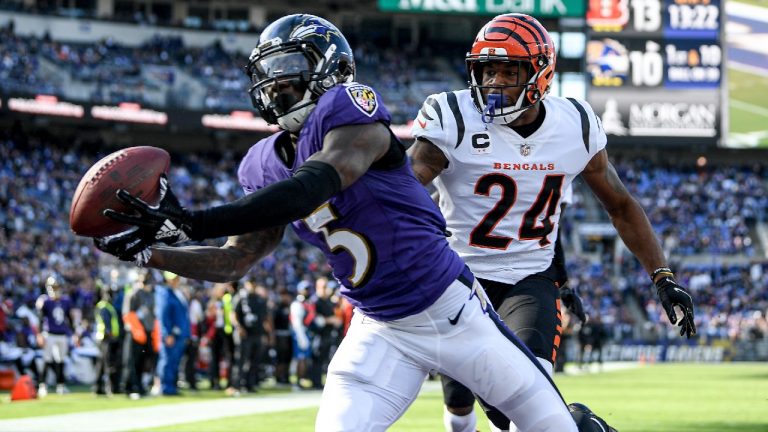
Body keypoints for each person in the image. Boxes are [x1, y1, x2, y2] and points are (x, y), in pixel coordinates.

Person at [93, 14, 586, 431]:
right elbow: (234, 259)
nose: (276, 84)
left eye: (289, 70)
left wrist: (192, 221)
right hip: (380, 329)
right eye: (269, 72)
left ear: (328, 71)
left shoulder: (354, 116)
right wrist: (148, 252)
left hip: (455, 314)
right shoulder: (260, 163)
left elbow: (319, 181)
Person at [407, 13, 696, 432]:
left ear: (540, 74)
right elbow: (401, 190)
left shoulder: (574, 126)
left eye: (510, 70)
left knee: (522, 408)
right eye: (488, 69)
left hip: (529, 280)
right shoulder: (453, 116)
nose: (495, 82)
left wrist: (662, 277)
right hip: (457, 278)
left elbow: (621, 205)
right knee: (458, 401)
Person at [36, 275, 75, 397]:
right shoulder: (45, 301)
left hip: (62, 334)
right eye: (52, 286)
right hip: (49, 334)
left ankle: (61, 386)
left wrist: (73, 333)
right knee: (47, 360)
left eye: (56, 286)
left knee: (61, 361)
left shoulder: (66, 301)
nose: (54, 289)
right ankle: (42, 386)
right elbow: (40, 319)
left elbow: (70, 318)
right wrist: (39, 334)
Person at [155, 271, 190, 395]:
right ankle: (166, 388)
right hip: (172, 335)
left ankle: (172, 387)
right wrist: (167, 334)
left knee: (174, 362)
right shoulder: (164, 294)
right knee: (167, 361)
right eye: (174, 278)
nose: (177, 280)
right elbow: (163, 316)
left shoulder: (177, 293)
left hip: (179, 335)